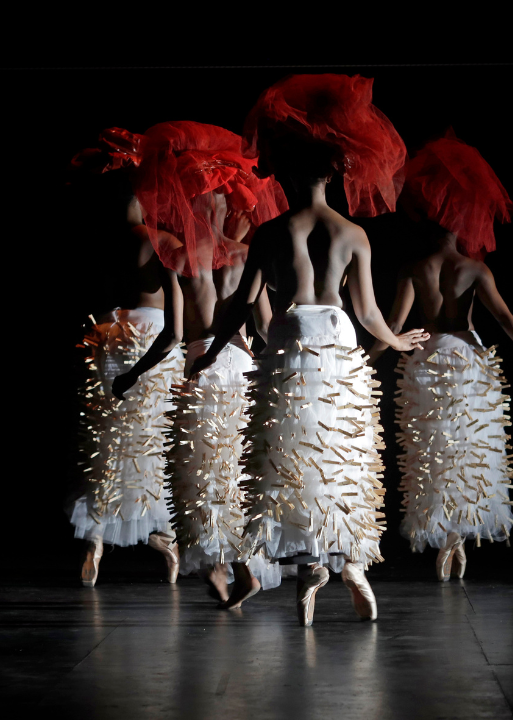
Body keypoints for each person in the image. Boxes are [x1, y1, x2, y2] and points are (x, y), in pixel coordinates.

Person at [189, 74, 429, 625]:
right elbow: (367, 312)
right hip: (338, 339)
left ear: (294, 175)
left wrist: (211, 353)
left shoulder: (271, 233)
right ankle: (350, 564)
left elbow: (243, 304)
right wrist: (395, 339)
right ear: (335, 173)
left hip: (290, 337)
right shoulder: (353, 234)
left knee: (290, 452)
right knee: (340, 452)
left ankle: (308, 571)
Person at [369, 130, 513, 580]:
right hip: (467, 361)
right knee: (470, 448)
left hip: (426, 358)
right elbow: (506, 318)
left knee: (434, 451)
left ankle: (445, 534)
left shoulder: (414, 269)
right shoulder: (474, 268)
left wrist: (367, 359)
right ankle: (457, 537)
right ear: (462, 222)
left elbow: (395, 327)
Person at [111, 121, 287, 608]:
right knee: (235, 469)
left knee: (201, 470)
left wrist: (132, 373)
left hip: (201, 367)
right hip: (240, 365)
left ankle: (218, 565)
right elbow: (266, 327)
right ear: (230, 207)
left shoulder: (176, 255)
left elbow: (171, 335)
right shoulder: (246, 255)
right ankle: (246, 564)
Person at [67, 127, 186, 587]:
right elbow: (176, 330)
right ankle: (163, 538)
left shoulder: (102, 242)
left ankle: (95, 539)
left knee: (109, 446)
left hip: (107, 335)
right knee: (150, 446)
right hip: (149, 338)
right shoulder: (163, 243)